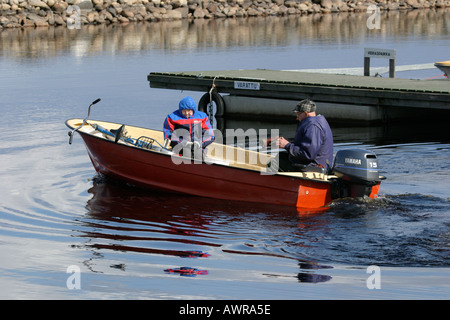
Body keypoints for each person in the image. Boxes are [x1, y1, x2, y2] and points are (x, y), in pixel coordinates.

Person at [276, 99, 333, 172]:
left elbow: (308, 154)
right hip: (313, 164)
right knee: (281, 156)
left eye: (298, 114)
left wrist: (287, 145)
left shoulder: (313, 126)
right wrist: (287, 143)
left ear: (306, 113)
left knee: (273, 164)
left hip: (313, 168)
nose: (297, 118)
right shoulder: (318, 121)